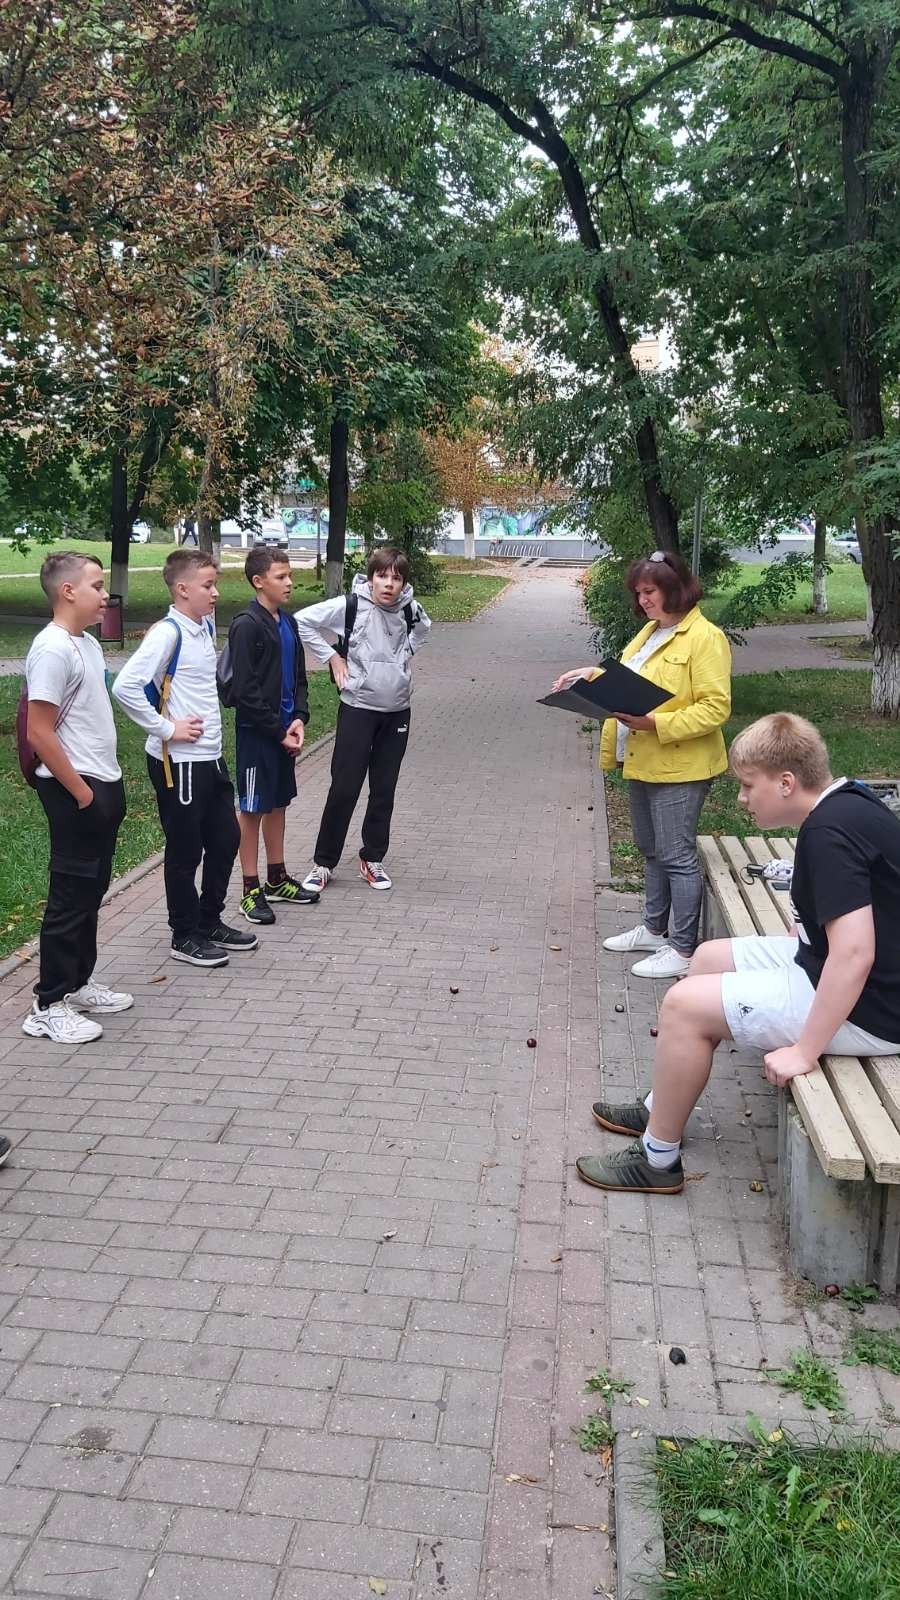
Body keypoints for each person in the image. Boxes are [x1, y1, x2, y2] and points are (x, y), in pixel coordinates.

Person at [577, 713, 900, 1195]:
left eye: (749, 786)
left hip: (874, 1010)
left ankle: (657, 1160)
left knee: (683, 1007)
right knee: (707, 958)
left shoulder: (828, 834)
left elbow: (854, 954)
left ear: (786, 783)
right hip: (844, 972)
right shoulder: (847, 800)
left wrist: (804, 1051)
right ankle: (659, 1106)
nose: (742, 799)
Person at [553, 550, 731, 979]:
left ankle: (683, 949)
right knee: (651, 850)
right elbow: (631, 681)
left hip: (681, 766)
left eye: (650, 591)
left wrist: (657, 723)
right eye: (638, 593)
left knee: (677, 856)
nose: (643, 600)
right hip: (642, 758)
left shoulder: (705, 637)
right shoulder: (651, 631)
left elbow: (716, 708)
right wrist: (590, 676)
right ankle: (653, 929)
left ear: (674, 589)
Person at [112, 549, 253, 968]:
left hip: (209, 758)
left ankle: (209, 921)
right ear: (182, 589)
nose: (215, 592)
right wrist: (166, 728)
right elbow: (125, 686)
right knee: (186, 850)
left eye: (215, 584)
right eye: (208, 585)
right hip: (179, 763)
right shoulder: (167, 633)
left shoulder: (202, 626)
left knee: (226, 839)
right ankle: (184, 934)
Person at [22, 551, 132, 1044]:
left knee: (92, 889)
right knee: (70, 895)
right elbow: (39, 731)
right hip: (73, 788)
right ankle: (47, 1004)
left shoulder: (85, 643)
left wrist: (102, 787)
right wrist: (83, 793)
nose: (105, 594)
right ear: (68, 591)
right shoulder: (51, 649)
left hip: (100, 781)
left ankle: (78, 983)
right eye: (96, 585)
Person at [296, 545, 431, 893]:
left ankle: (372, 859)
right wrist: (333, 657)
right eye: (382, 576)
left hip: (397, 711)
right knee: (344, 787)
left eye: (396, 578)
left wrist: (404, 655)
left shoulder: (410, 608)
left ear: (404, 583)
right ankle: (323, 863)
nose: (388, 584)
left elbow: (423, 629)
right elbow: (303, 621)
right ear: (371, 578)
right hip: (358, 708)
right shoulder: (351, 605)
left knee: (383, 789)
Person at [226, 545, 320, 925]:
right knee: (252, 809)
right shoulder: (246, 625)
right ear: (258, 581)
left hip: (284, 732)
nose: (289, 583)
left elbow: (299, 678)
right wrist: (277, 731)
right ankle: (250, 888)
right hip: (257, 735)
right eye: (281, 577)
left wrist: (298, 718)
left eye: (289, 575)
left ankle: (277, 878)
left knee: (278, 803)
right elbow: (245, 690)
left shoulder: (289, 623)